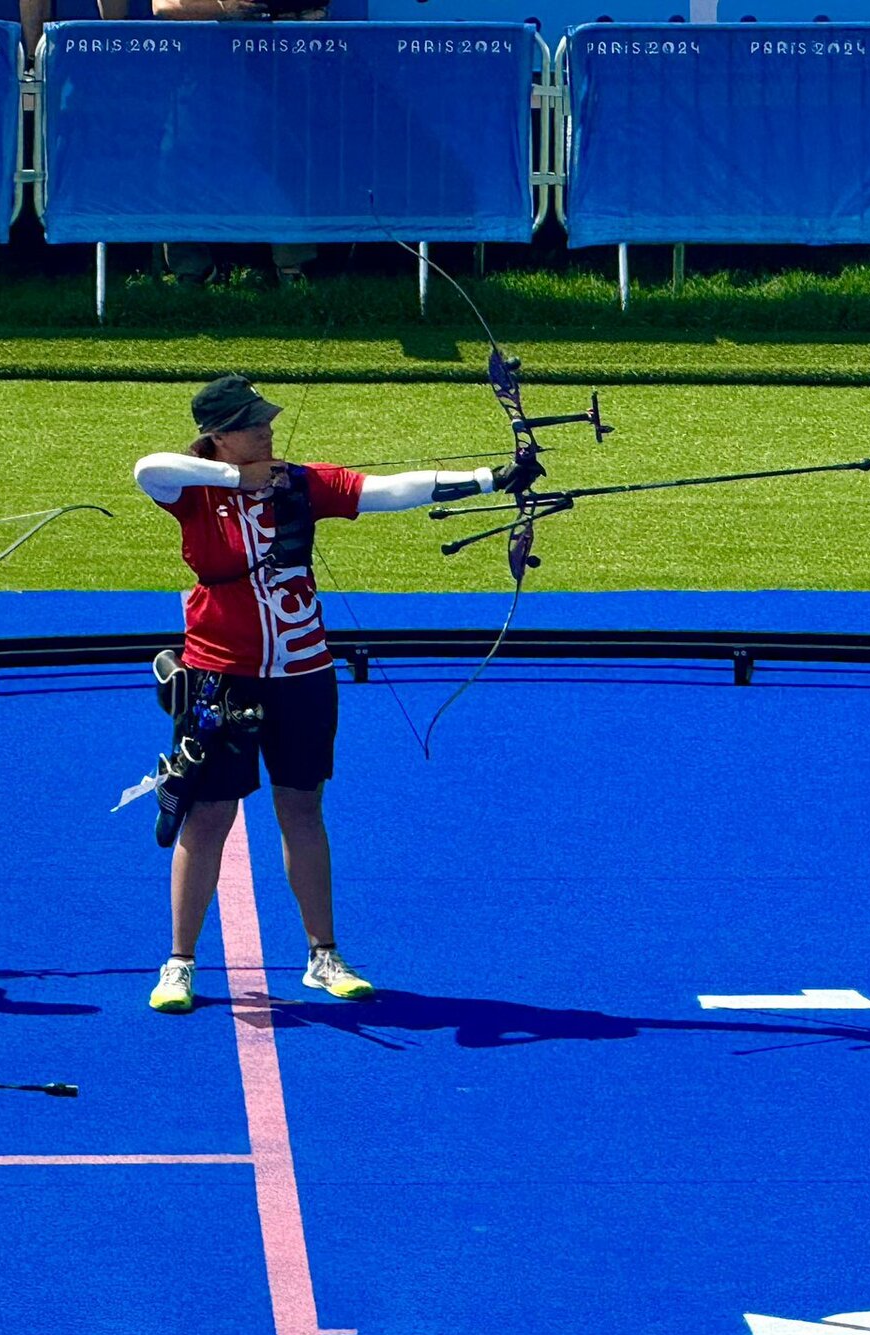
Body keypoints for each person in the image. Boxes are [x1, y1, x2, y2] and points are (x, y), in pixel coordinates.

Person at [133, 374, 538, 1013]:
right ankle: (179, 962)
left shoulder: (301, 482)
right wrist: (240, 483)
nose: (266, 428)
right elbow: (147, 466)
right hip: (220, 673)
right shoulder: (189, 489)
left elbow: (390, 490)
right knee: (208, 812)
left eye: (266, 419)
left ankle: (323, 956)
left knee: (301, 807)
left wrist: (492, 478)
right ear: (218, 436)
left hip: (303, 673)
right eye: (251, 423)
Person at [152, 0, 327, 286]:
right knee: (179, 155)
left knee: (285, 152)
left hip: (285, 49)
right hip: (205, 57)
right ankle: (192, 272)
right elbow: (163, 5)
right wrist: (227, 6)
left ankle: (293, 270)